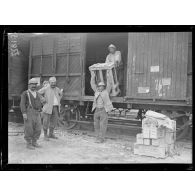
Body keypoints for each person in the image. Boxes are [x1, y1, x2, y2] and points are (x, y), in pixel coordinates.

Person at [90, 71, 114, 143]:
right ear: (98, 87)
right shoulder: (96, 91)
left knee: (103, 125)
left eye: (102, 86)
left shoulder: (106, 92)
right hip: (97, 110)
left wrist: (108, 75)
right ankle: (97, 138)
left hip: (103, 110)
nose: (101, 87)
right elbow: (92, 84)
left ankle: (101, 139)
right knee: (96, 125)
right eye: (100, 86)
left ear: (104, 87)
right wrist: (93, 76)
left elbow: (109, 84)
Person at [20, 78, 43, 149]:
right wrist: (24, 113)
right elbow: (22, 104)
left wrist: (41, 110)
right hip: (29, 112)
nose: (34, 86)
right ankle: (28, 143)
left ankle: (34, 142)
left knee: (38, 128)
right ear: (29, 85)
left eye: (35, 84)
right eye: (32, 84)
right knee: (29, 128)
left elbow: (42, 102)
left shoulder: (38, 93)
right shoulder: (25, 93)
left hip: (37, 113)